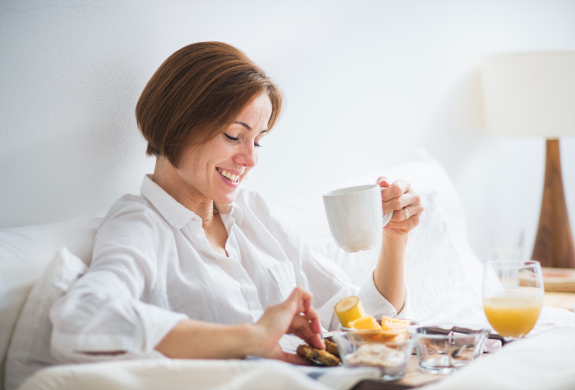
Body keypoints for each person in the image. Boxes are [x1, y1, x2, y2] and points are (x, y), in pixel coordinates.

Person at [50, 42, 424, 364]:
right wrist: (251, 337)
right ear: (177, 125)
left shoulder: (255, 215)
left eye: (257, 140)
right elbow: (81, 318)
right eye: (233, 135)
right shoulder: (140, 225)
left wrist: (395, 237)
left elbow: (359, 327)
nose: (251, 158)